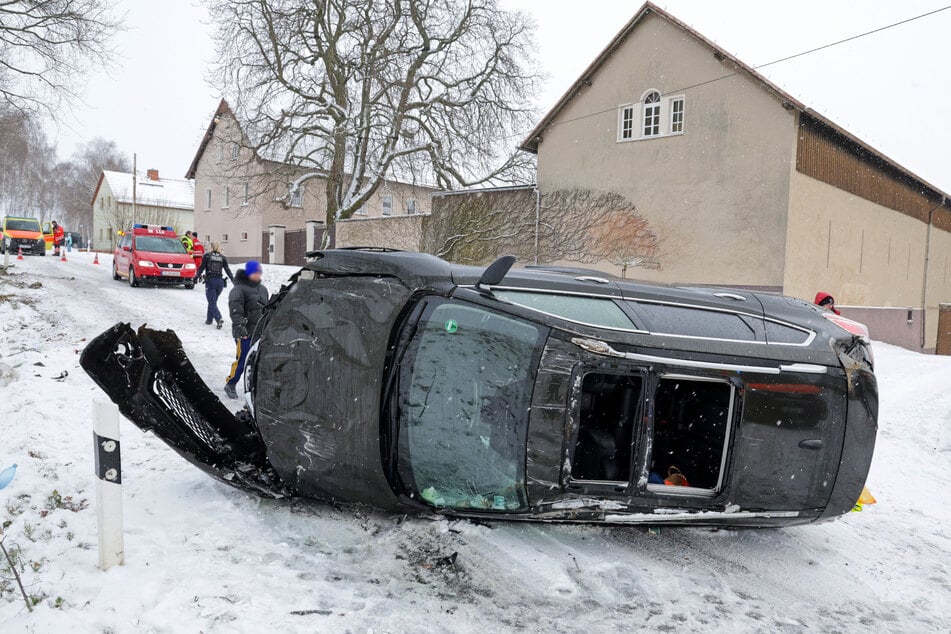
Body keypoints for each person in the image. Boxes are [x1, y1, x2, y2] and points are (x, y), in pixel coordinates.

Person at [224, 260, 268, 399]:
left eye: (259, 272)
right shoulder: (239, 289)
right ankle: (230, 383)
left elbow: (266, 309)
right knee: (242, 360)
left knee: (258, 361)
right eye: (255, 272)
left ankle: (254, 388)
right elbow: (235, 311)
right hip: (244, 332)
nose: (258, 274)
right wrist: (241, 329)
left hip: (259, 332)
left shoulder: (263, 289)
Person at [195, 242, 234, 329]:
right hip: (220, 282)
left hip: (211, 281)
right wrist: (233, 279)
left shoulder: (207, 256)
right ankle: (209, 320)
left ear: (211, 247)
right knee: (213, 301)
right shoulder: (222, 258)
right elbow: (227, 270)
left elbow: (201, 268)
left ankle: (218, 318)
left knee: (212, 301)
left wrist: (196, 276)